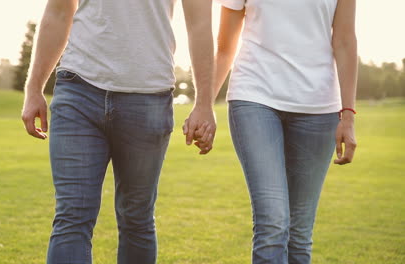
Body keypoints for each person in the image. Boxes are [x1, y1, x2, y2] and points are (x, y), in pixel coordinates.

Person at [21, 0, 216, 263]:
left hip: (149, 97)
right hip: (78, 90)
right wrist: (34, 88)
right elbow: (58, 11)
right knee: (72, 216)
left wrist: (204, 103)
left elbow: (200, 24)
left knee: (136, 217)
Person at [211, 0, 358, 263]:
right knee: (273, 222)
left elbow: (345, 39)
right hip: (254, 95)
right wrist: (203, 104)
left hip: (319, 107)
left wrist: (348, 114)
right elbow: (225, 47)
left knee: (299, 233)